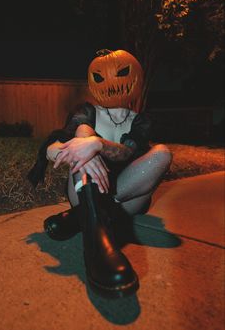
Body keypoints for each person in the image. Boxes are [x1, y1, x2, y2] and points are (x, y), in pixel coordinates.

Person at [28, 49, 172, 298]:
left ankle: (82, 216)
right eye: (99, 76)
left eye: (121, 73)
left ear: (135, 76)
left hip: (126, 195)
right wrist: (78, 145)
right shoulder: (86, 113)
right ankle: (96, 246)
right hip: (85, 186)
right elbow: (58, 145)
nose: (110, 82)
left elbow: (127, 153)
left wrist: (97, 145)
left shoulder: (142, 121)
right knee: (82, 132)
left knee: (162, 153)